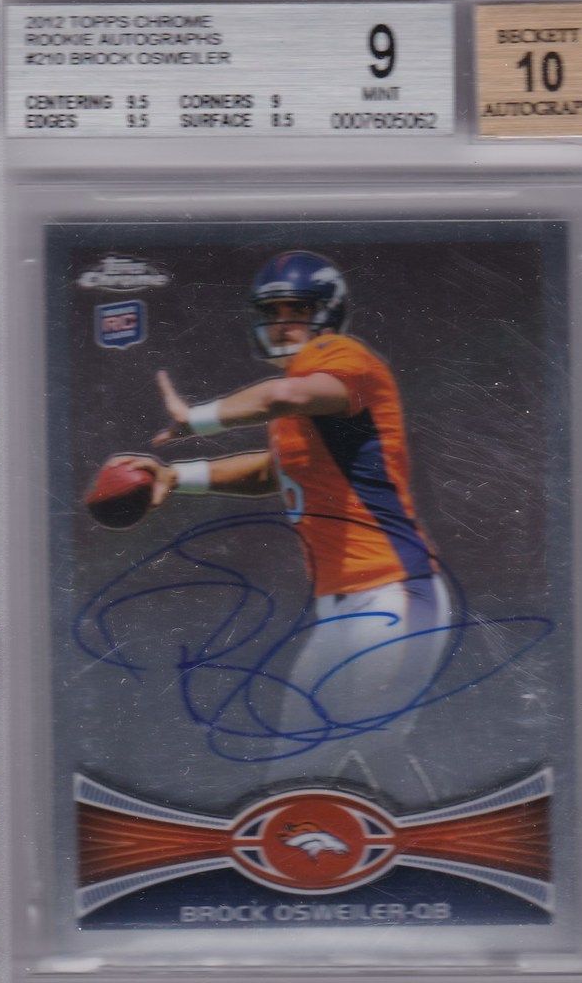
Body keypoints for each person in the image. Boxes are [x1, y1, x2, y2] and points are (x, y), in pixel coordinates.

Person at [112, 251, 451, 800]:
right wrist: (178, 477)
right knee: (326, 765)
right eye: (272, 312)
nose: (282, 323)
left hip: (392, 594)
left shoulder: (340, 359)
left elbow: (280, 396)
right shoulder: (303, 403)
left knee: (323, 761)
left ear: (327, 313)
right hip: (347, 607)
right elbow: (273, 472)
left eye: (297, 309)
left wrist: (195, 419)